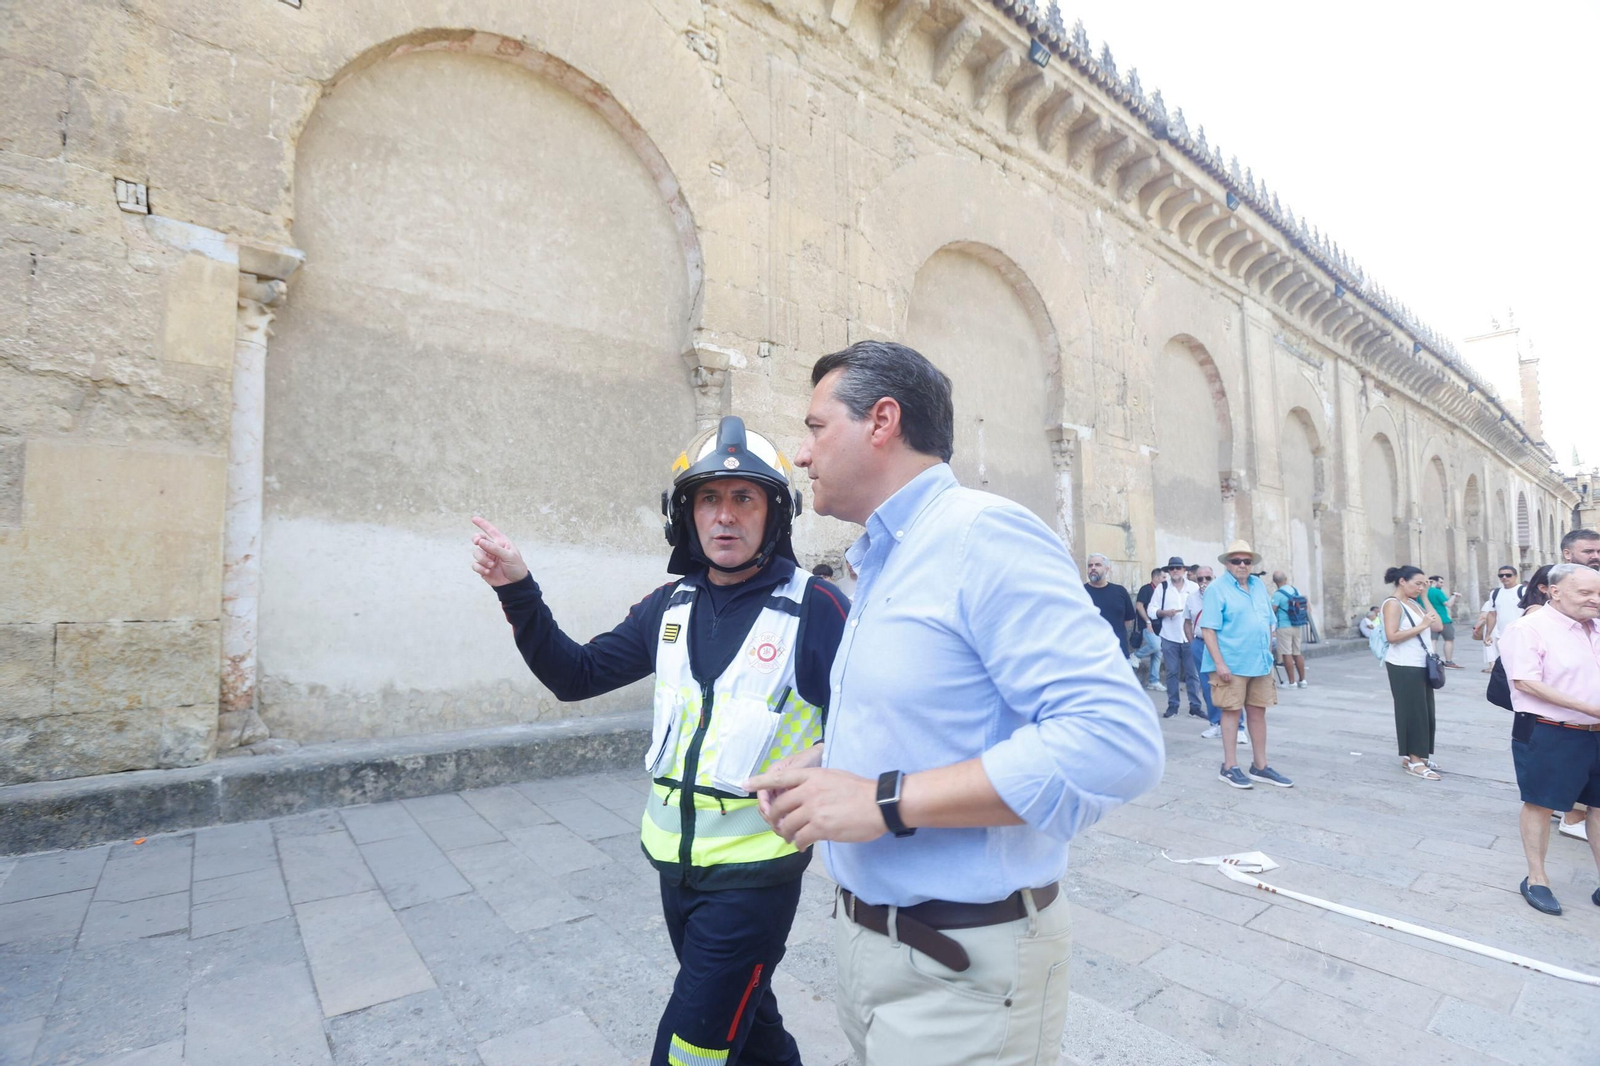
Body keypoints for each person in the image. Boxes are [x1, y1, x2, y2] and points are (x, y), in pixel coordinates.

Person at [746, 339, 1163, 1066]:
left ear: (881, 421)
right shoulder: (885, 558)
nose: (803, 455)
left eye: (815, 428)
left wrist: (882, 799)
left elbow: (1113, 742)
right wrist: (829, 764)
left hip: (960, 972)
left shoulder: (980, 535)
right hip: (871, 950)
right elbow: (935, 715)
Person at [470, 416, 849, 1066]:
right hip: (673, 871)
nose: (724, 517)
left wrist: (832, 775)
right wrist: (518, 589)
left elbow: (874, 722)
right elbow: (575, 674)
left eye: (743, 498)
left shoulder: (815, 606)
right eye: (709, 498)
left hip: (754, 879)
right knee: (752, 1027)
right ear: (686, 514)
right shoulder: (667, 604)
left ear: (773, 514)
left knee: (689, 1051)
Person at [1496, 563, 1600, 916]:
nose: (1595, 600)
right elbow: (1525, 681)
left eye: (1599, 593)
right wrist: (1591, 709)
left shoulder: (1597, 627)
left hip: (1596, 734)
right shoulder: (1528, 628)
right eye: (1586, 593)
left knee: (1599, 807)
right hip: (1551, 732)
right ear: (1554, 591)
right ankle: (1536, 878)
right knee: (1540, 804)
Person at [1199, 540, 1292, 790]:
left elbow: (1269, 621)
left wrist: (1269, 650)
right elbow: (1208, 629)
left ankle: (1260, 766)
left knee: (1258, 711)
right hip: (1231, 663)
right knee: (1230, 712)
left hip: (1259, 662)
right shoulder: (1217, 589)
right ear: (1227, 564)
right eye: (1236, 561)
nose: (1242, 565)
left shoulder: (1258, 586)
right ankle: (1229, 767)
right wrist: (1219, 664)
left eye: (1247, 561)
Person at [1380, 566, 1445, 781]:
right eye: (1418, 583)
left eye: (1424, 584)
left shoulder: (1414, 603)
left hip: (1421, 664)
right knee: (1412, 712)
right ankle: (1415, 761)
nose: (1421, 587)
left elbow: (1437, 627)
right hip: (1403, 665)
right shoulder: (1392, 604)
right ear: (1402, 581)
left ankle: (1416, 756)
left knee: (1426, 712)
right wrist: (1421, 626)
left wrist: (1425, 597)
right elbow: (1392, 636)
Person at [1194, 567, 1249, 749]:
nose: (1203, 582)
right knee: (1208, 686)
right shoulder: (1191, 597)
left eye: (1207, 578)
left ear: (1213, 577)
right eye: (1200, 578)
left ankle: (1239, 727)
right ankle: (1215, 723)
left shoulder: (1222, 593)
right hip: (1200, 643)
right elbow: (1188, 621)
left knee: (1232, 685)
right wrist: (1191, 641)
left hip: (1223, 645)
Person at [1154, 557, 1205, 719]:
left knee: (1192, 673)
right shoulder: (1162, 588)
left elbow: (1202, 607)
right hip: (1169, 635)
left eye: (1177, 568)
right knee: (1171, 673)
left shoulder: (1194, 587)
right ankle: (1173, 706)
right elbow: (1151, 608)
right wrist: (1162, 612)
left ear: (1184, 570)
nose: (1174, 571)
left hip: (1189, 636)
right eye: (1171, 568)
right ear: (1168, 572)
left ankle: (1195, 706)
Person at [1083, 553, 1138, 659]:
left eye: (1098, 565)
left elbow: (1128, 620)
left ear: (1107, 569)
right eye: (1090, 565)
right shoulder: (1080, 592)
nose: (1093, 568)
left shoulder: (1120, 591)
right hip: (1089, 655)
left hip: (1118, 653)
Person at [1478, 566, 1525, 673]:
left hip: (1521, 634)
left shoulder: (1523, 591)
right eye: (1501, 575)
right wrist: (1488, 634)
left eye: (1508, 575)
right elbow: (1492, 614)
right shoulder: (1495, 593)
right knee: (1506, 664)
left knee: (1520, 665)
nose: (1504, 577)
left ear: (1515, 576)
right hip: (1502, 635)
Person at [1270, 571, 1310, 688]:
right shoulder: (1295, 590)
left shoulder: (1277, 594)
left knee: (1286, 653)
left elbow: (1272, 610)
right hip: (1297, 624)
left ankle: (1291, 682)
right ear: (1286, 579)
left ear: (1274, 581)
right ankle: (1302, 680)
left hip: (1284, 626)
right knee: (1297, 652)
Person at [1133, 568, 1166, 689]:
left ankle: (1154, 681)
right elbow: (1139, 606)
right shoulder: (1146, 589)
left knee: (1158, 654)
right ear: (1156, 578)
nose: (1165, 580)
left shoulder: (1163, 591)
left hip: (1159, 626)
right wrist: (1147, 621)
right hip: (1147, 625)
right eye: (1163, 577)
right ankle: (1136, 655)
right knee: (1155, 645)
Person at [1427, 575, 1464, 669]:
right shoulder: (1437, 592)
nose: (1442, 585)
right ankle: (1449, 661)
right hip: (1443, 619)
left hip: (1429, 619)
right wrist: (1454, 596)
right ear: (1434, 582)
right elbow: (1448, 604)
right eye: (1441, 582)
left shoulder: (1423, 592)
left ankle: (1432, 661)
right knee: (1449, 640)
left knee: (1432, 641)